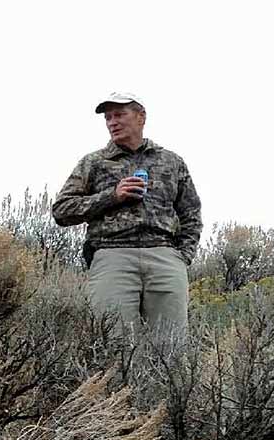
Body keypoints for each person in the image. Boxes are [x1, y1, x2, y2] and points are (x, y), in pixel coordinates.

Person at [52, 91, 203, 346]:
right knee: (114, 346)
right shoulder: (94, 163)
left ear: (141, 117)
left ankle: (164, 389)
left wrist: (181, 256)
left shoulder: (171, 161)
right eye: (108, 117)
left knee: (171, 348)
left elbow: (191, 213)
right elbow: (62, 210)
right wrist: (112, 196)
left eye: (119, 114)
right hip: (112, 256)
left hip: (165, 258)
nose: (112, 122)